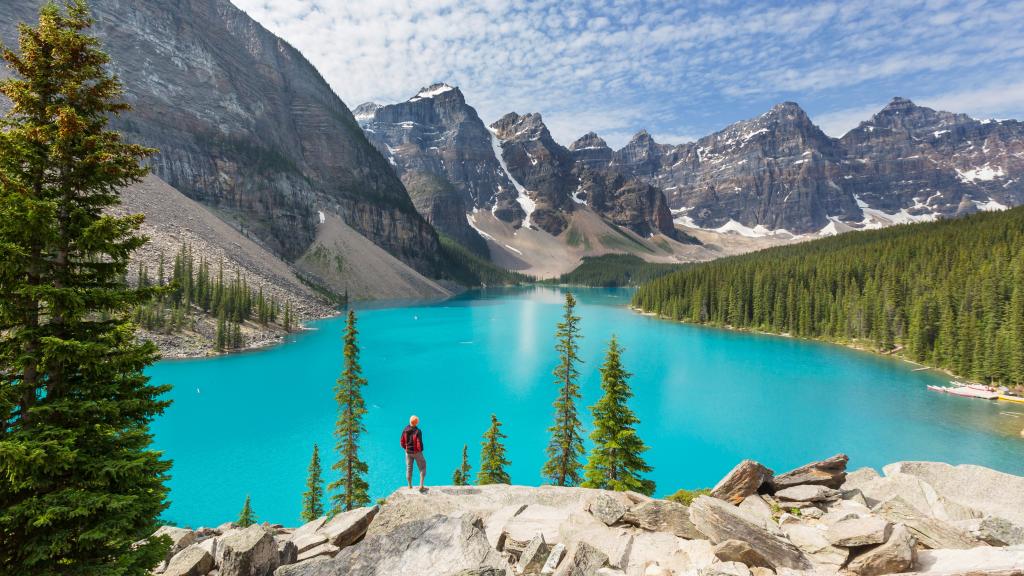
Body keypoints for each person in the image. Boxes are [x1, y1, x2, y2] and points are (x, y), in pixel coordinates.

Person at [401, 415, 426, 492]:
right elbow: (419, 443)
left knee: (409, 468)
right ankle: (421, 486)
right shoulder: (418, 431)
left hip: (408, 452)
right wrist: (420, 450)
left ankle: (409, 485)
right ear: (417, 423)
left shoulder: (405, 430)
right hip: (416, 452)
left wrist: (406, 448)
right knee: (423, 467)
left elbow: (402, 441)